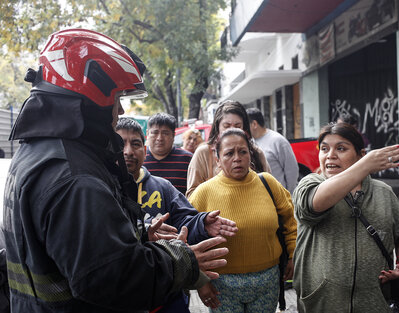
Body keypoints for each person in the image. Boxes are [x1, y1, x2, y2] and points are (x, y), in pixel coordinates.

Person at [2, 29, 230, 313]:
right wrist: (179, 260)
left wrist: (137, 238)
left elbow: (70, 251)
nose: (120, 109)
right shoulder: (76, 179)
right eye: (117, 97)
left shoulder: (36, 152)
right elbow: (110, 278)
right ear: (93, 96)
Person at [116, 117, 238, 313]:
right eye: (121, 144)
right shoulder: (101, 189)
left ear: (144, 151)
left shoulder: (162, 187)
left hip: (169, 294)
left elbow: (185, 220)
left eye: (136, 143)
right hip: (123, 294)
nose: (128, 151)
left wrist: (202, 223)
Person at [293, 122, 399, 313]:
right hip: (322, 303)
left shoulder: (383, 193)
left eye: (341, 148)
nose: (330, 155)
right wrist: (365, 166)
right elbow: (314, 205)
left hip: (374, 303)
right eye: (324, 149)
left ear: (361, 154)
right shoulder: (310, 185)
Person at [189, 128, 297, 312]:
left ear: (250, 155)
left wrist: (293, 256)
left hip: (267, 280)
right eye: (229, 153)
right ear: (218, 160)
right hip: (221, 285)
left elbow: (290, 222)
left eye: (243, 152)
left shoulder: (268, 183)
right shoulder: (203, 193)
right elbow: (188, 241)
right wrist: (201, 282)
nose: (237, 158)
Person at [186, 100, 271, 197]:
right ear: (217, 127)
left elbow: (269, 188)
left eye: (237, 126)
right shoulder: (204, 153)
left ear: (244, 128)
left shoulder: (256, 152)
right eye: (226, 126)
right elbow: (192, 196)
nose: (232, 131)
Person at [247, 107, 299, 194]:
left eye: (245, 125)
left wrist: (287, 195)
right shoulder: (250, 142)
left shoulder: (278, 141)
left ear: (254, 124)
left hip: (279, 198)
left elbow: (292, 171)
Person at [144, 112, 193, 194]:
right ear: (147, 134)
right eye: (155, 133)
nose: (159, 138)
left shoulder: (188, 159)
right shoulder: (138, 158)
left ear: (173, 135)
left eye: (165, 133)